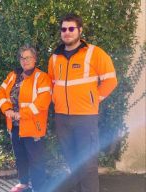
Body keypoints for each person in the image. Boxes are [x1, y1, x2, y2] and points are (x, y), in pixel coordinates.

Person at [48, 13, 118, 192]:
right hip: (62, 117)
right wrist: (55, 100)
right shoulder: (55, 57)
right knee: (72, 162)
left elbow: (110, 80)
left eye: (71, 28)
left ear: (80, 30)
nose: (67, 32)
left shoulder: (95, 53)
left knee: (87, 164)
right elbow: (51, 83)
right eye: (64, 29)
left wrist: (94, 99)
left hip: (85, 118)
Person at [0, 45, 52, 192]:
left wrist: (22, 114)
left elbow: (43, 102)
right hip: (15, 126)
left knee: (36, 161)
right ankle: (23, 183)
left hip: (33, 127)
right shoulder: (13, 76)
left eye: (28, 57)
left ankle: (38, 188)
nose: (25, 60)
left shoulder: (42, 77)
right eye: (22, 57)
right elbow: (2, 92)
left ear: (34, 59)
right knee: (20, 157)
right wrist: (7, 109)